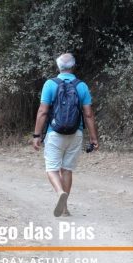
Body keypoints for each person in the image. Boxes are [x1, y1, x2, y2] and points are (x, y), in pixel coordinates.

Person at [32, 53, 99, 217]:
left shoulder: (50, 84)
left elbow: (42, 111)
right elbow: (88, 114)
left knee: (52, 168)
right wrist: (93, 138)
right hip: (75, 133)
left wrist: (36, 135)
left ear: (58, 66)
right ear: (73, 66)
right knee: (67, 169)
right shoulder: (81, 86)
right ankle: (65, 207)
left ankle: (60, 192)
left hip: (54, 133)